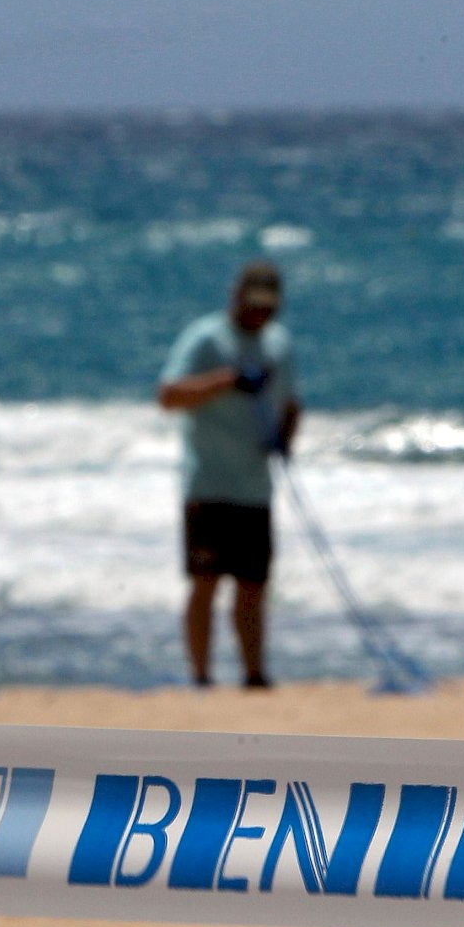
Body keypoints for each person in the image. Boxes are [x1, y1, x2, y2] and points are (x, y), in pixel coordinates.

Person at [156, 260, 301, 689]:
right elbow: (169, 395)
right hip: (208, 483)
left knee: (254, 585)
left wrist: (283, 440)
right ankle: (200, 675)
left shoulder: (280, 343)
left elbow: (292, 402)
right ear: (236, 298)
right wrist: (228, 381)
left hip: (256, 486)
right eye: (253, 306)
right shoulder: (205, 338)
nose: (260, 316)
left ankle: (254, 674)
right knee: (205, 582)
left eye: (268, 308)